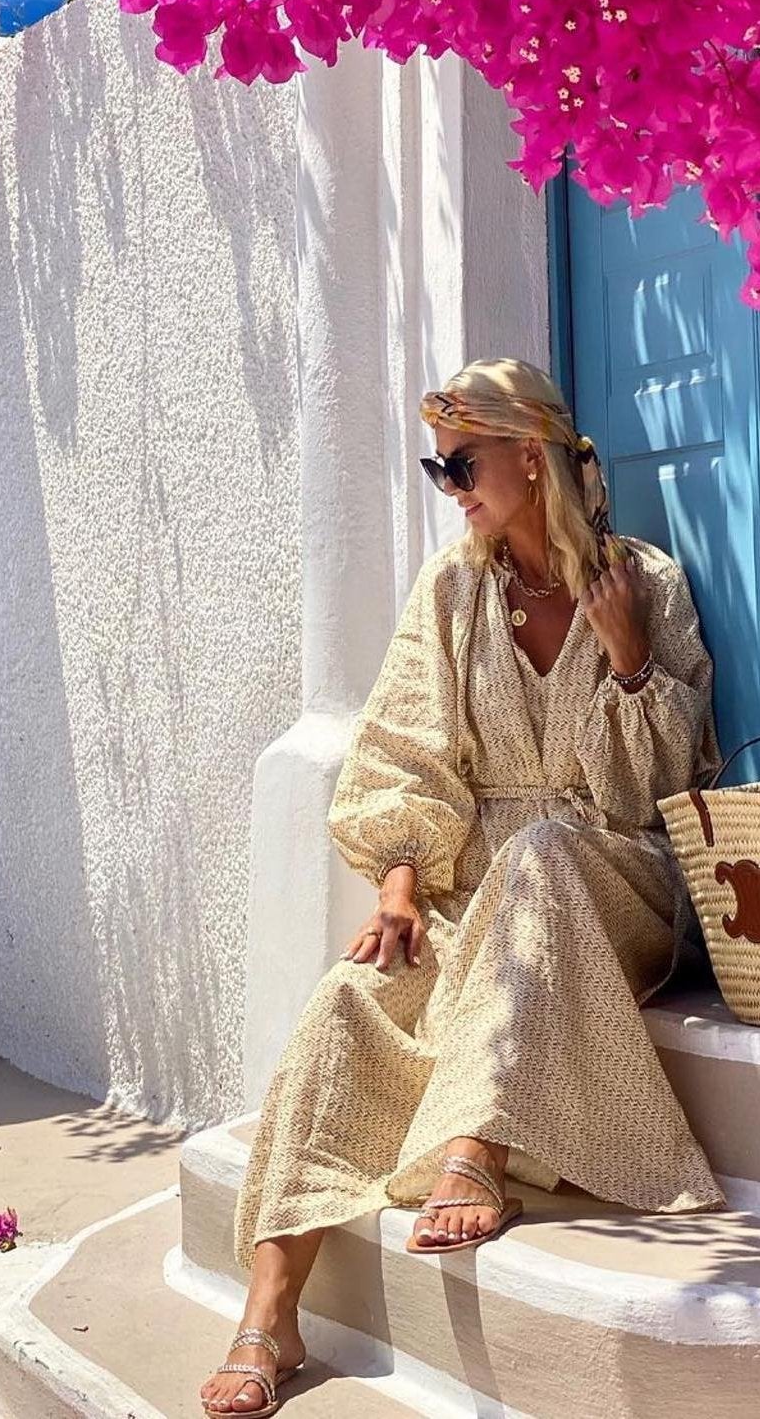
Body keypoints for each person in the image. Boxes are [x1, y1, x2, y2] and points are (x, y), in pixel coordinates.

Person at [200, 356, 727, 1419]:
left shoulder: (647, 583)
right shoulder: (452, 590)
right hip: (469, 876)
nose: (449, 485)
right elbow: (404, 748)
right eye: (439, 468)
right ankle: (269, 1310)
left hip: (609, 873)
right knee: (354, 998)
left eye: (461, 463)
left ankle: (473, 1148)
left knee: (541, 859)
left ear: (530, 458)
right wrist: (398, 883)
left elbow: (668, 788)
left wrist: (628, 658)